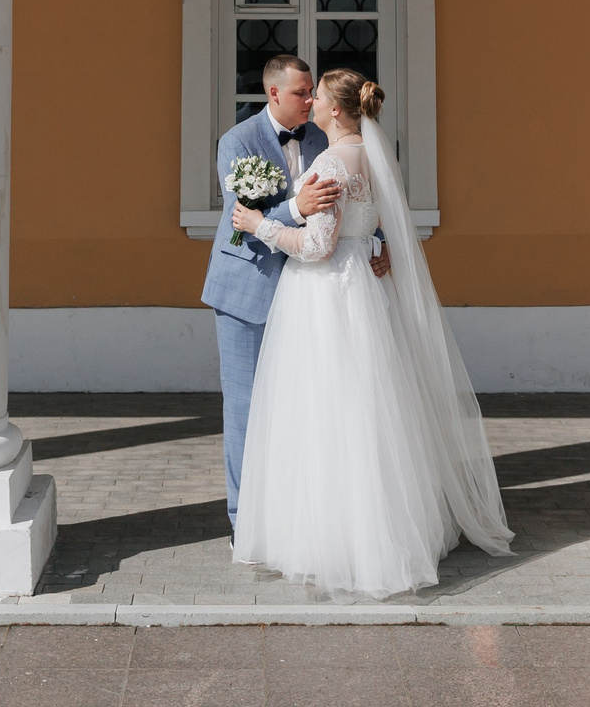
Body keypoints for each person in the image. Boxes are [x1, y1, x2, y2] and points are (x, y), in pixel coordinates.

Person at [228, 68, 513, 598]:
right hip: (363, 289)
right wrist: (378, 250)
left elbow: (317, 247)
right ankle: (385, 530)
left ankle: (336, 542)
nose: (310, 101)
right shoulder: (371, 156)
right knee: (368, 411)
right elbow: (372, 229)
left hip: (326, 296)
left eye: (317, 96)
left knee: (327, 414)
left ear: (334, 110)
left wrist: (258, 226)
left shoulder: (332, 161)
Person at [201, 55, 381, 528]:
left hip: (312, 296)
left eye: (312, 93)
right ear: (274, 94)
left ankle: (295, 514)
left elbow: (352, 205)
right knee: (245, 409)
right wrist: (295, 208)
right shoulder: (237, 141)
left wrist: (375, 243)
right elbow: (239, 219)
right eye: (301, 93)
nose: (309, 100)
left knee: (304, 406)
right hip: (249, 291)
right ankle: (245, 521)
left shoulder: (327, 138)